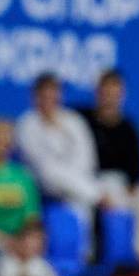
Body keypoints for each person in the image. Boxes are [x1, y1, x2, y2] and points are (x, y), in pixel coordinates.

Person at [16, 75, 99, 219]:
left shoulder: (74, 120)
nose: (49, 101)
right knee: (50, 172)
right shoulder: (27, 124)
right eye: (44, 96)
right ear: (35, 97)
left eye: (53, 95)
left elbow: (87, 158)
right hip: (44, 187)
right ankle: (96, 196)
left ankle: (91, 200)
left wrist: (75, 182)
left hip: (78, 186)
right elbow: (41, 166)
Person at [87, 70, 139, 204]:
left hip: (119, 186)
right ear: (97, 93)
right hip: (91, 182)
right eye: (106, 93)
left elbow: (135, 171)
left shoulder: (129, 130)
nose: (110, 99)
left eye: (114, 95)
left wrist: (131, 188)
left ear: (122, 95)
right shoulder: (82, 121)